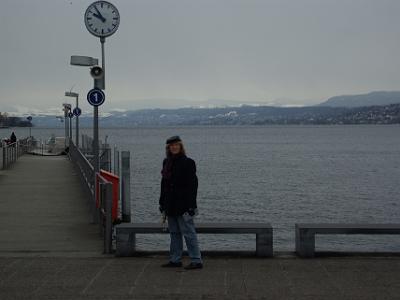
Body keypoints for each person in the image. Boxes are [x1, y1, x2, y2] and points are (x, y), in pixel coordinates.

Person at [159, 135, 203, 270]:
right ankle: (175, 259)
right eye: (171, 146)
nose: (174, 147)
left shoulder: (188, 162)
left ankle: (196, 260)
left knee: (189, 233)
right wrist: (162, 202)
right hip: (170, 204)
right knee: (174, 233)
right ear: (168, 148)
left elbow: (193, 186)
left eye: (176, 145)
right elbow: (164, 184)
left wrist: (191, 206)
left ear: (181, 147)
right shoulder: (166, 162)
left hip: (184, 204)